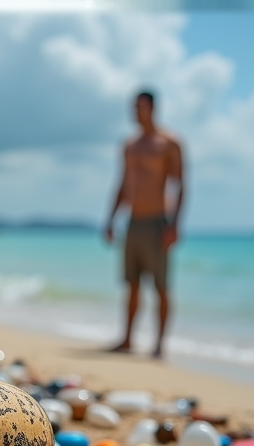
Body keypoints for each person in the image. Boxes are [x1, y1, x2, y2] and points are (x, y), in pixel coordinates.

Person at [103, 90, 184, 359]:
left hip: (158, 222)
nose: (135, 112)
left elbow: (180, 184)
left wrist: (174, 225)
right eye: (133, 107)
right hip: (133, 221)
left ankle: (160, 344)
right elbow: (123, 184)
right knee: (132, 284)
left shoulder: (169, 142)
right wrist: (111, 219)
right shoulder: (130, 145)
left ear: (152, 108)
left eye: (140, 107)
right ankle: (127, 339)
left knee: (161, 286)